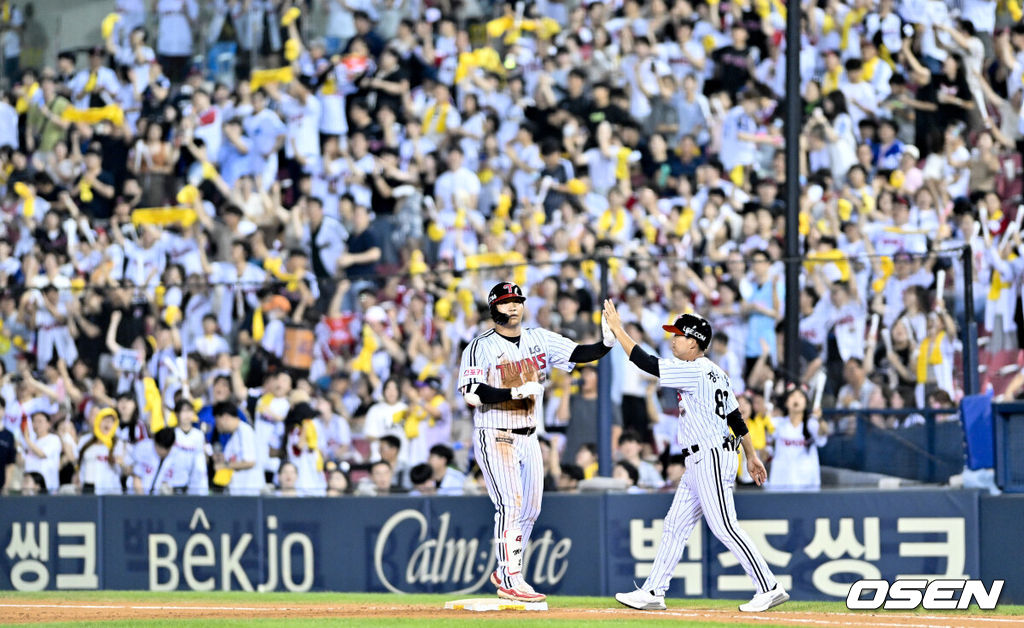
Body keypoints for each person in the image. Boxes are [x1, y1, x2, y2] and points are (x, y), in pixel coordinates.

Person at [602, 303, 788, 613]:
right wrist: (752, 456)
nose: (673, 340)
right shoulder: (717, 372)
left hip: (711, 455)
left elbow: (645, 362)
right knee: (674, 525)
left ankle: (768, 586)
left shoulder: (696, 370)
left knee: (725, 526)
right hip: (703, 458)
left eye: (678, 335)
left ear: (694, 342)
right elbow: (737, 419)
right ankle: (653, 591)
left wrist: (618, 330)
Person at [457, 281, 616, 602]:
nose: (513, 306)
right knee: (510, 505)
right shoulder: (480, 346)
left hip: (529, 437)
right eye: (505, 302)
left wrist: (606, 343)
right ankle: (509, 575)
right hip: (496, 432)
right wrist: (513, 393)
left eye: (517, 301)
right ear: (493, 309)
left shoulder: (538, 338)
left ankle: (508, 570)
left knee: (530, 508)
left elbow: (577, 353)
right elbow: (473, 393)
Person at [766, 389, 828, 492]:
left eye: (800, 396)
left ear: (805, 403)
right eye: (792, 396)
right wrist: (766, 414)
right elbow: (764, 431)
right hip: (781, 481)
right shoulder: (778, 423)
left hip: (806, 482)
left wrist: (819, 418)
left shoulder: (811, 424)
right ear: (786, 403)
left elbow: (824, 432)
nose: (796, 399)